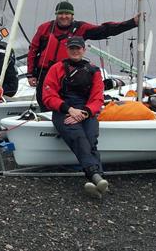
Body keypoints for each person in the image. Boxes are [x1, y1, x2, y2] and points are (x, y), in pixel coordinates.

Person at [28, 1, 140, 110]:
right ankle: (47, 121)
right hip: (45, 72)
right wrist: (31, 74)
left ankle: (69, 118)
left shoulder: (80, 28)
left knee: (66, 100)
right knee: (44, 100)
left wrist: (132, 23)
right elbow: (33, 50)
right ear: (56, 15)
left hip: (67, 73)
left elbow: (105, 30)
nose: (64, 16)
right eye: (60, 13)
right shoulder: (45, 28)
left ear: (72, 15)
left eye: (67, 13)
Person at [42, 36, 108, 198]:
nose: (75, 51)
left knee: (91, 139)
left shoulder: (94, 71)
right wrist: (69, 110)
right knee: (79, 138)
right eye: (72, 48)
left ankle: (97, 185)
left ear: (84, 50)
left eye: (78, 48)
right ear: (67, 50)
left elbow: (98, 98)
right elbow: (48, 96)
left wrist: (84, 113)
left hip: (86, 111)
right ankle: (96, 175)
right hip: (63, 111)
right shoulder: (57, 68)